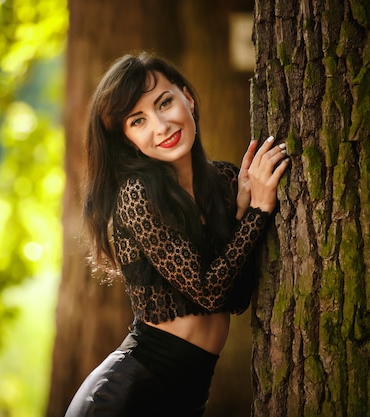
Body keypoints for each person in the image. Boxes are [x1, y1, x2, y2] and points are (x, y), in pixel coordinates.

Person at [64, 52, 289, 417]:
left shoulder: (225, 181)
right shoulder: (138, 195)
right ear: (128, 140)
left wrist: (238, 214)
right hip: (126, 397)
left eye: (164, 102)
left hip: (189, 397)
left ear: (189, 97)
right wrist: (258, 212)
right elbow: (209, 291)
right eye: (138, 121)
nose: (161, 126)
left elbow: (237, 298)